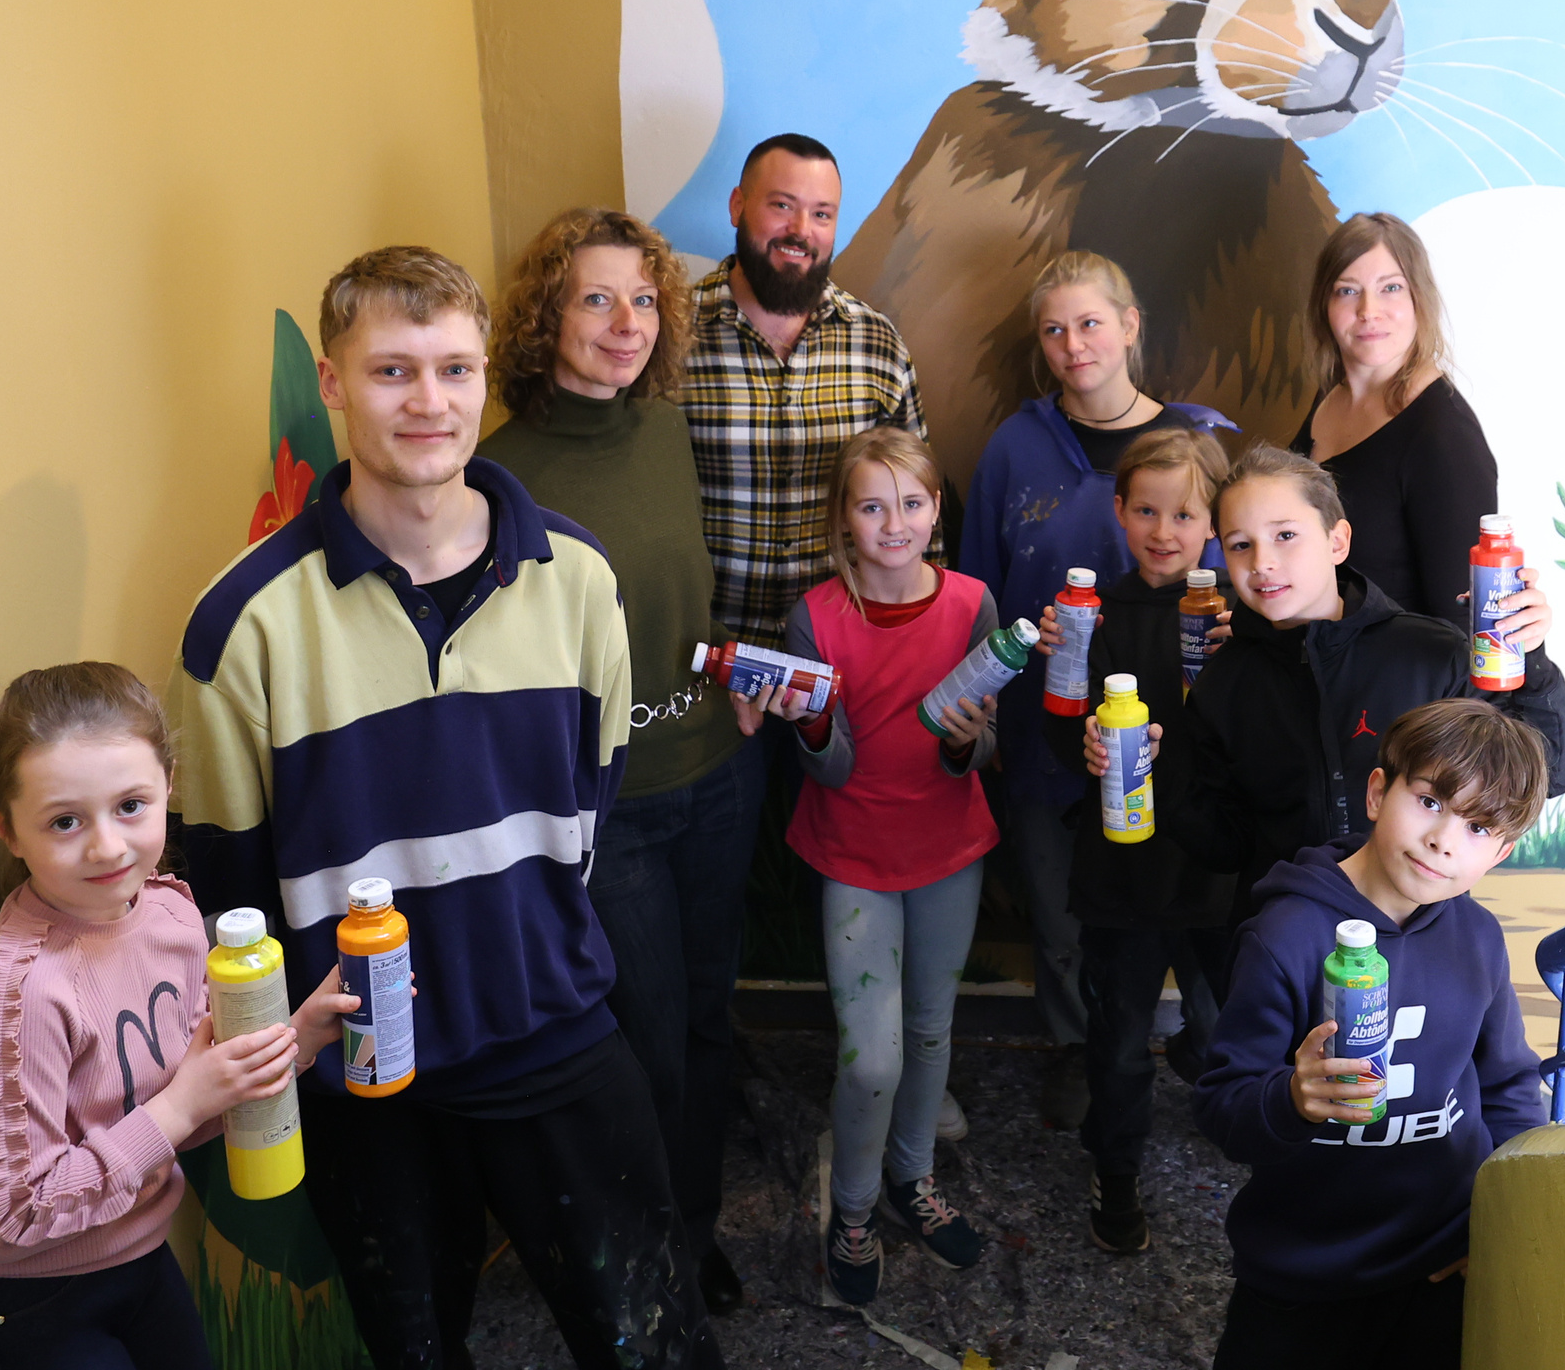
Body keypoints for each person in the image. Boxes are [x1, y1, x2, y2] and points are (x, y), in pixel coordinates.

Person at [168, 245, 724, 1370]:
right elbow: (228, 883)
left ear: (483, 376)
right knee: (415, 1352)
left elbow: (592, 797)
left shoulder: (579, 581)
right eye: (393, 371)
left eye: (455, 369)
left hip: (553, 1022)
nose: (430, 401)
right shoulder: (242, 626)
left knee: (656, 1342)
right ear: (334, 384)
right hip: (367, 1073)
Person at [483, 207, 764, 1317]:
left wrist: (736, 672)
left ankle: (692, 1233)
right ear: (545, 314)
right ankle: (645, 1254)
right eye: (597, 298)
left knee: (706, 1017)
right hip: (612, 808)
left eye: (644, 299)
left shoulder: (663, 431)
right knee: (645, 1044)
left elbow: (671, 604)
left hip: (717, 772)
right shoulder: (498, 474)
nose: (627, 323)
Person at [0, 663, 354, 1369]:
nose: (107, 846)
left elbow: (184, 1105)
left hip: (138, 1255)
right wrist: (183, 1105)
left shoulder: (169, 917)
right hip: (20, 1302)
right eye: (65, 821)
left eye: (130, 805)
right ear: (7, 828)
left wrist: (296, 1040)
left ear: (168, 785)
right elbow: (15, 1218)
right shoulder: (20, 994)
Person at [1194, 698, 1551, 1370]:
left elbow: (1507, 1088)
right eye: (1430, 801)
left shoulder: (1479, 937)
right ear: (1378, 792)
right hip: (1302, 1277)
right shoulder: (1285, 938)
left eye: (1478, 827)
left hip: (1441, 1262)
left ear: (1501, 853)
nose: (1444, 839)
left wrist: (1499, 1229)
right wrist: (1289, 1098)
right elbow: (1220, 1105)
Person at [963, 251, 1232, 1126]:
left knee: (1200, 913)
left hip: (1180, 743)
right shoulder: (1015, 446)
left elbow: (1238, 579)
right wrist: (986, 709)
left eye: (1089, 323)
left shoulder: (1194, 443)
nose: (1074, 344)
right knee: (1062, 913)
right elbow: (979, 588)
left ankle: (1218, 1058)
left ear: (1130, 325)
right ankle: (1081, 1050)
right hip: (1050, 729)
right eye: (1054, 329)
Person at [753, 427, 997, 1306]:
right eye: (871, 506)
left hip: (949, 851)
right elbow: (831, 769)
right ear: (843, 521)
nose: (895, 523)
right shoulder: (816, 618)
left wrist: (968, 743)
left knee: (930, 1033)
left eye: (912, 503)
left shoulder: (972, 604)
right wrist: (814, 725)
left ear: (935, 512)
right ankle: (852, 1208)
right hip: (853, 856)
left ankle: (911, 1176)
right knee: (870, 1062)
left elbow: (986, 746)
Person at [1147, 444, 1565, 918]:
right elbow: (1224, 847)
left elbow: (1554, 771)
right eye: (1240, 544)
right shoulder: (1222, 684)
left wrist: (1528, 652)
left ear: (1337, 541)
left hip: (1416, 935)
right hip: (1285, 936)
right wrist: (1152, 773)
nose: (1262, 561)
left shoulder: (1432, 654)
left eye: (1286, 535)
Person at [1036, 426, 1236, 1257]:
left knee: (1229, 1026)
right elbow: (1060, 736)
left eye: (1184, 515)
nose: (1163, 531)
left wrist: (1247, 659)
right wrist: (1084, 742)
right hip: (1122, 870)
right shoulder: (1092, 617)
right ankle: (1115, 1171)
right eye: (1147, 511)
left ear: (1213, 523)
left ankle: (1237, 1114)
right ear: (1119, 511)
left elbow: (1261, 739)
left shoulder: (1232, 616)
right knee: (1118, 1044)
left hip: (1218, 866)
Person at [683, 132, 930, 650]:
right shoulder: (671, 336)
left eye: (821, 214)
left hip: (846, 652)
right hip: (707, 652)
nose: (801, 230)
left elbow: (920, 509)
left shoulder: (876, 344)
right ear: (737, 205)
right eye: (782, 206)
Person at [1290, 212, 1496, 628]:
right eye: (1348, 290)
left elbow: (1460, 623)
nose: (1369, 310)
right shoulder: (1329, 396)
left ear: (1419, 298)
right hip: (1318, 657)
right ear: (1324, 306)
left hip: (1397, 668)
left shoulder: (1444, 434)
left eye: (1391, 288)